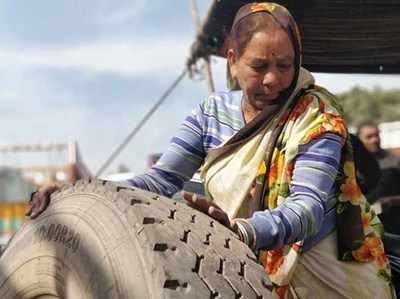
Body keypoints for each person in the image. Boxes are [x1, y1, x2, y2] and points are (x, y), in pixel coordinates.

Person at [27, 3, 395, 298]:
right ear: (232, 59)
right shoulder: (210, 114)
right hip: (249, 273)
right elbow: (160, 179)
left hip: (329, 276)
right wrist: (81, 192)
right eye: (258, 65)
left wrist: (242, 230)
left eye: (285, 65)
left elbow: (307, 207)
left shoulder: (315, 115)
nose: (273, 79)